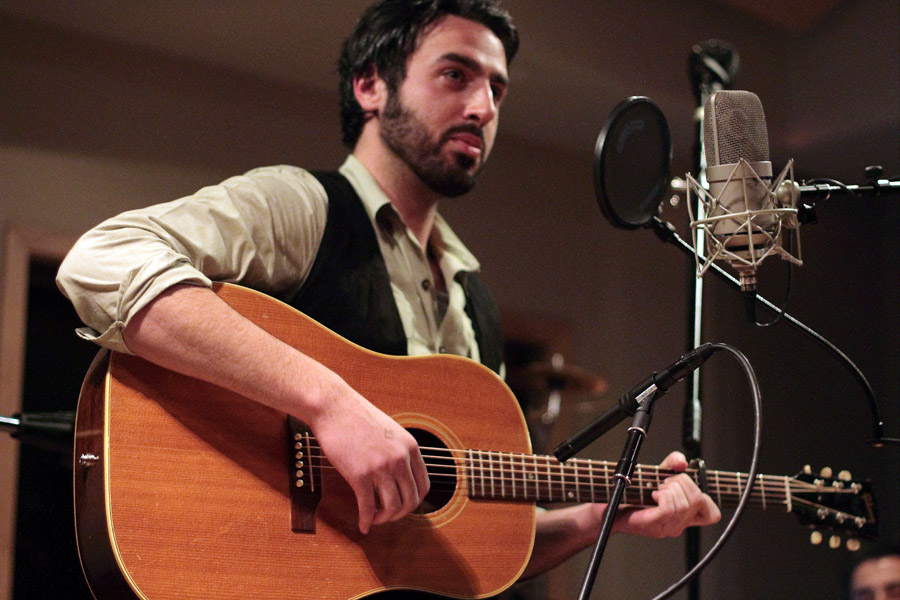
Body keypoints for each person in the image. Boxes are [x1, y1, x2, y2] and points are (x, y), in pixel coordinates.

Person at [56, 0, 720, 592]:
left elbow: (470, 547)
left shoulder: (471, 299)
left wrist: (597, 517)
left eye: (496, 87)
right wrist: (331, 405)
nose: (484, 107)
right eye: (456, 75)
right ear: (371, 85)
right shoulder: (303, 208)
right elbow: (103, 261)